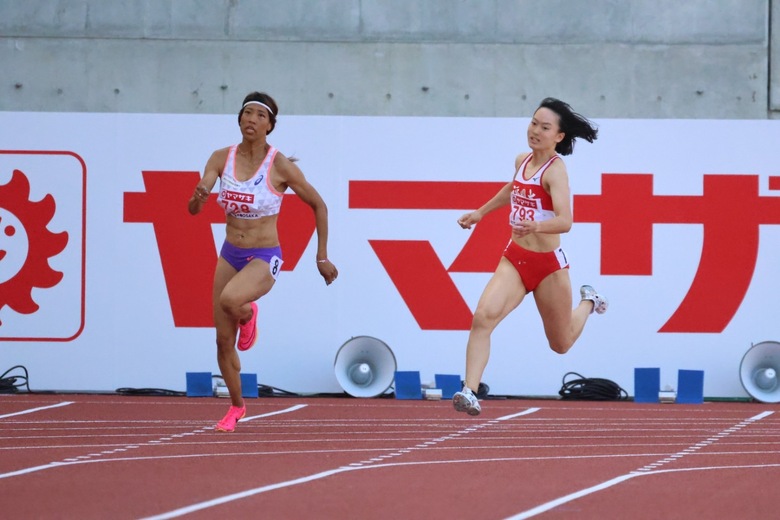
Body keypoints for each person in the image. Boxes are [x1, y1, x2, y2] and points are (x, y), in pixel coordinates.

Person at [188, 91, 338, 432]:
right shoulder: (220, 158)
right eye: (247, 114)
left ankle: (247, 312)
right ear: (239, 120)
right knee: (222, 341)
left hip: (264, 256)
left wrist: (322, 255)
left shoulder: (279, 164)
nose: (251, 120)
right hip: (230, 253)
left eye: (260, 116)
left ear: (270, 125)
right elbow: (195, 208)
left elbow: (319, 205)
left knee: (230, 300)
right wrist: (197, 197)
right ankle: (237, 407)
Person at [452, 97, 607, 416]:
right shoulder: (522, 160)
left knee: (561, 344)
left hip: (548, 267)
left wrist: (536, 224)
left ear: (559, 136)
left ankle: (588, 301)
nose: (535, 130)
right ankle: (470, 390)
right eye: (533, 122)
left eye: (545, 127)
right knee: (483, 317)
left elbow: (566, 220)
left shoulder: (556, 171)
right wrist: (480, 212)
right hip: (515, 259)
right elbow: (514, 189)